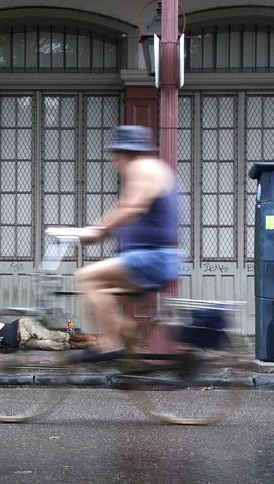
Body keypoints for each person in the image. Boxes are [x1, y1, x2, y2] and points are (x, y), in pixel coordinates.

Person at [69, 125, 179, 361]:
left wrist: (97, 232)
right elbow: (124, 210)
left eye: (115, 156)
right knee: (102, 298)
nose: (113, 162)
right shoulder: (152, 169)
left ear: (125, 152)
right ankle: (131, 351)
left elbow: (131, 208)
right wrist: (98, 231)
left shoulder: (143, 168)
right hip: (154, 258)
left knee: (86, 277)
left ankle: (111, 345)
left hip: (152, 258)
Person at [0, 318, 97, 351]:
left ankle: (79, 337)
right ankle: (78, 345)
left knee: (50, 335)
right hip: (22, 342)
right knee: (50, 345)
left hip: (23, 326)